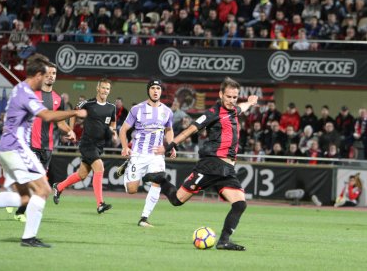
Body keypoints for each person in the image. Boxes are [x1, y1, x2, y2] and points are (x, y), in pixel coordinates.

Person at [0, 54, 82, 248]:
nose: (46, 79)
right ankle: (29, 238)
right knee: (44, 189)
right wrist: (75, 112)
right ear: (37, 75)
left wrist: (67, 129)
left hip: (8, 149)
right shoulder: (26, 93)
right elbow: (46, 115)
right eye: (44, 75)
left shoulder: (19, 89)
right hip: (17, 148)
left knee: (24, 197)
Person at [143, 77, 258, 251]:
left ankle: (224, 241)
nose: (232, 100)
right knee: (176, 200)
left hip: (227, 170)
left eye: (235, 97)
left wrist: (249, 102)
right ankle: (160, 179)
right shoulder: (213, 113)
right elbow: (191, 129)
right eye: (229, 97)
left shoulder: (234, 110)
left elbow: (242, 107)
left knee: (240, 203)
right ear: (221, 95)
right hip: (211, 165)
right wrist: (171, 144)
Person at [11, 62, 76, 222]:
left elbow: (60, 122)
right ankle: (20, 209)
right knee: (33, 182)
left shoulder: (58, 99)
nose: (51, 76)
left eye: (54, 73)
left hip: (47, 148)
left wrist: (69, 131)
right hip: (30, 145)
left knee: (37, 184)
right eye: (48, 73)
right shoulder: (32, 93)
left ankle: (18, 204)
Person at [53, 78, 116, 214]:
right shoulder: (88, 104)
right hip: (87, 143)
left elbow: (113, 124)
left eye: (108, 89)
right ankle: (100, 204)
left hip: (99, 146)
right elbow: (74, 113)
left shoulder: (112, 107)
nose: (105, 91)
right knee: (99, 166)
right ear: (98, 88)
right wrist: (71, 130)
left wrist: (113, 132)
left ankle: (59, 187)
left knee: (82, 175)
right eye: (103, 88)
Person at [118, 79, 176, 227]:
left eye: (158, 88)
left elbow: (169, 130)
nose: (156, 91)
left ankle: (144, 218)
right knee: (132, 190)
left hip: (157, 154)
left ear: (161, 91)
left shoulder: (167, 111)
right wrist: (125, 147)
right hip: (138, 153)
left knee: (158, 181)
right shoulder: (137, 109)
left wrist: (171, 146)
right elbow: (123, 130)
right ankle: (128, 165)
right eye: (153, 88)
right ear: (148, 90)